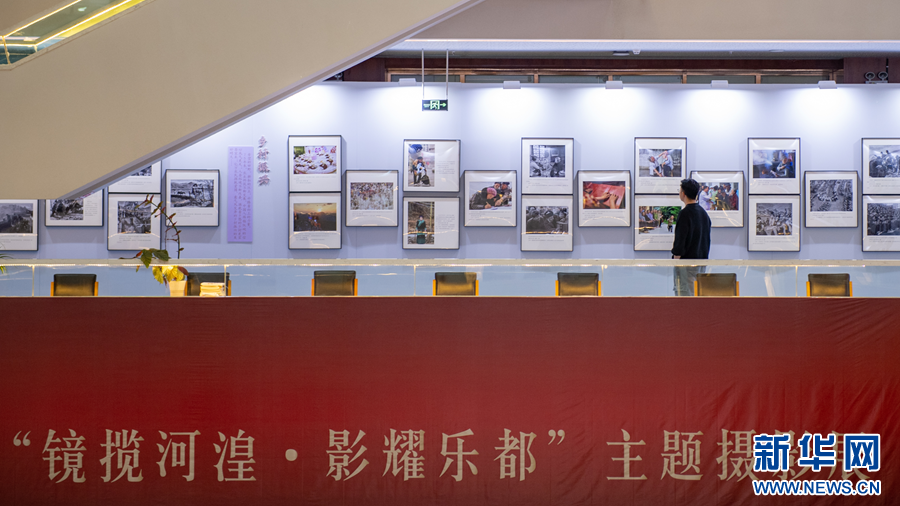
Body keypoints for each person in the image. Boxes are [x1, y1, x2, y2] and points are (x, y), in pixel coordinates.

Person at [672, 178, 711, 296]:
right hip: (701, 264)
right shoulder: (704, 214)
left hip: (686, 266)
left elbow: (680, 243)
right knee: (697, 297)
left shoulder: (685, 214)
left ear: (683, 193)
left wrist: (675, 263)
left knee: (685, 298)